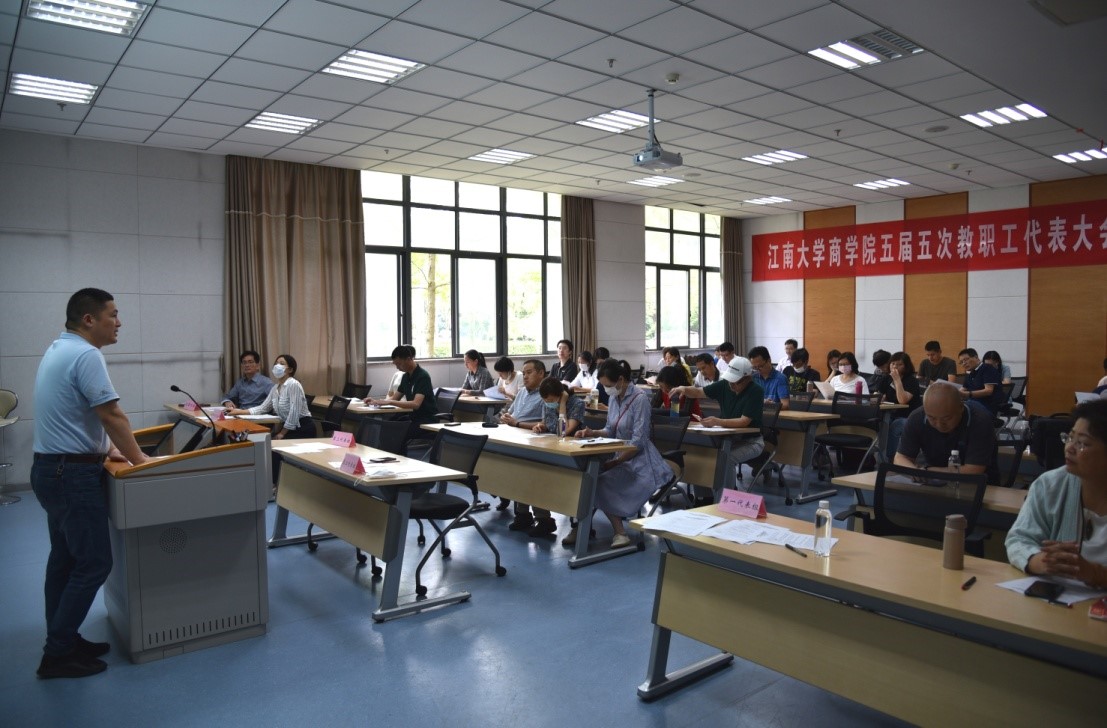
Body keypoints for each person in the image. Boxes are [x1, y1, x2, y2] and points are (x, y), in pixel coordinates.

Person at [31, 288, 149, 679]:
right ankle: (57, 654)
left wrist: (106, 450)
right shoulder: (86, 355)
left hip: (53, 470)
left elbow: (77, 417)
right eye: (113, 315)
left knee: (65, 560)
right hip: (71, 476)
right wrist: (141, 461)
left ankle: (63, 637)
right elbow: (111, 414)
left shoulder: (58, 349)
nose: (119, 322)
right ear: (89, 320)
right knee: (95, 562)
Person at [1005, 398, 1107, 589]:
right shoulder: (1050, 484)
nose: (1069, 448)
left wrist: (1094, 573)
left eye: (1082, 443)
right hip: (1060, 599)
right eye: (1069, 438)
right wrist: (1040, 561)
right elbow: (1019, 539)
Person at [570, 360, 671, 549]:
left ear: (621, 380)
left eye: (608, 385)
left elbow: (638, 441)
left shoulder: (640, 399)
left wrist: (616, 462)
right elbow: (610, 429)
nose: (605, 390)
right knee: (586, 479)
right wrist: (592, 432)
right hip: (620, 456)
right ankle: (582, 526)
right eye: (603, 385)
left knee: (598, 483)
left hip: (641, 462)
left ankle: (620, 533)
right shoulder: (614, 397)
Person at [672, 357, 765, 493]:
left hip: (751, 442)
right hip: (727, 439)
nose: (731, 385)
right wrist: (684, 389)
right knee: (704, 455)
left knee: (726, 458)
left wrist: (717, 421)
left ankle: (726, 497)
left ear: (748, 379)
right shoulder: (724, 385)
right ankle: (704, 497)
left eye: (735, 382)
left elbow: (744, 421)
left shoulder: (756, 391)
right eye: (730, 381)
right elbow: (698, 392)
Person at [515, 378, 587, 537]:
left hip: (571, 454)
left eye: (551, 400)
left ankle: (544, 519)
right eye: (545, 401)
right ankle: (523, 514)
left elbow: (564, 431)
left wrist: (562, 404)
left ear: (561, 394)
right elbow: (546, 422)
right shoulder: (547, 403)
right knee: (525, 467)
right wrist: (540, 426)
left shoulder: (577, 404)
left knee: (539, 474)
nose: (548, 404)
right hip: (550, 447)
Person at [894, 381, 995, 475]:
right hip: (929, 481)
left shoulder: (980, 421)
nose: (939, 424)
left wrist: (927, 471)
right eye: (932, 418)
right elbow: (900, 458)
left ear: (961, 408)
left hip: (976, 483)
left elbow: (974, 470)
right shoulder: (917, 417)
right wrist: (915, 472)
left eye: (946, 418)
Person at [229, 354, 315, 440]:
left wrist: (282, 433)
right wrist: (238, 412)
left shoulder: (294, 384)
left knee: (271, 445)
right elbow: (262, 408)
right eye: (276, 363)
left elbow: (294, 413)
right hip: (287, 428)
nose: (277, 366)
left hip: (302, 428)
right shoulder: (275, 388)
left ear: (290, 369)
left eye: (281, 363)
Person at [367, 346, 438, 446]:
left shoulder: (422, 376)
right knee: (386, 426)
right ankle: (390, 454)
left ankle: (399, 455)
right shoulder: (406, 377)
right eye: (396, 364)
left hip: (426, 419)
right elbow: (394, 398)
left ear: (409, 359)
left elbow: (416, 404)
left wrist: (390, 402)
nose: (397, 367)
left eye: (399, 364)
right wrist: (375, 401)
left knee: (398, 432)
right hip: (413, 417)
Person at [881, 352, 923, 459]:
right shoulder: (886, 378)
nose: (895, 367)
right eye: (893, 364)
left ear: (906, 366)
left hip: (909, 416)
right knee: (881, 424)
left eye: (899, 364)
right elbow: (878, 395)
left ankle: (891, 458)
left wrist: (897, 380)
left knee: (896, 425)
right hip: (891, 414)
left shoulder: (911, 380)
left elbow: (903, 400)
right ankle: (879, 457)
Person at [957, 348, 1004, 415]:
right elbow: (962, 390)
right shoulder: (970, 374)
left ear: (976, 357)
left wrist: (967, 394)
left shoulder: (988, 368)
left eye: (966, 359)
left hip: (987, 407)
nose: (964, 363)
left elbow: (988, 391)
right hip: (972, 405)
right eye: (961, 362)